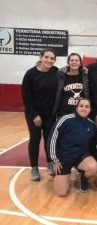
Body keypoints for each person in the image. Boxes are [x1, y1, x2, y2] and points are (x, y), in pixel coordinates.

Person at [47, 99, 97, 196]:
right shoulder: (65, 120)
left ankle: (83, 178)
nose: (84, 108)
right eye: (81, 106)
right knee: (61, 193)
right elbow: (52, 140)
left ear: (90, 109)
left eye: (87, 107)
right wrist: (54, 160)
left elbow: (93, 145)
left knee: (93, 167)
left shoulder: (91, 125)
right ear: (76, 108)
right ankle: (63, 174)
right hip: (63, 157)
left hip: (81, 156)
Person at [21, 48, 58, 181]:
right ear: (40, 57)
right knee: (35, 139)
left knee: (49, 139)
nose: (49, 60)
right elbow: (26, 97)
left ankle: (49, 163)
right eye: (46, 57)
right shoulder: (30, 74)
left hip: (49, 114)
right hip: (34, 114)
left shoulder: (56, 72)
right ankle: (34, 167)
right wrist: (34, 115)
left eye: (52, 58)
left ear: (54, 61)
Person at [52, 53, 89, 118]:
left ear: (80, 63)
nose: (74, 62)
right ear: (68, 62)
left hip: (80, 113)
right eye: (72, 60)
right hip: (63, 113)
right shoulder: (60, 76)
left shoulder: (85, 76)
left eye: (76, 60)